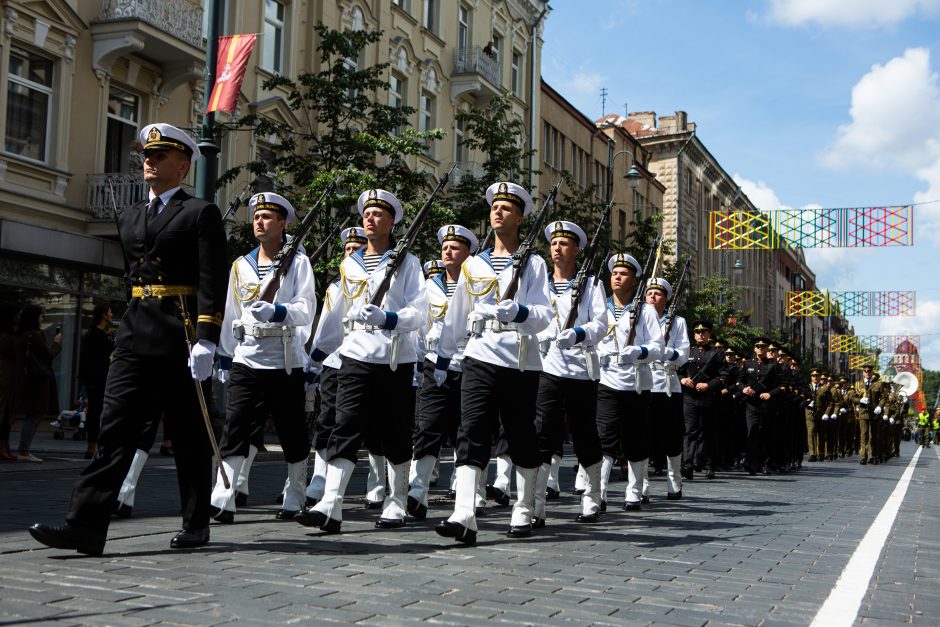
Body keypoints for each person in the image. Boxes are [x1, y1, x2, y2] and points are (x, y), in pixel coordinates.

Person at [28, 123, 228, 555]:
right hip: (136, 335)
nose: (148, 162)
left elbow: (213, 281)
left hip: (182, 335)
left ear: (183, 163)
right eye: (146, 155)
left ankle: (196, 523)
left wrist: (208, 339)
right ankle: (85, 525)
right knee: (114, 429)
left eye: (159, 155)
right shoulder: (131, 215)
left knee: (189, 436)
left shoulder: (200, 213)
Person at [432, 182, 553, 544]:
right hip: (480, 354)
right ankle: (464, 512)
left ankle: (523, 507)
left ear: (519, 217)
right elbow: (457, 315)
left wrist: (520, 311)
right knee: (472, 431)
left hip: (519, 359)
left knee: (520, 435)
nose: (497, 212)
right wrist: (444, 356)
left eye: (505, 208)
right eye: (494, 207)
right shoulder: (472, 264)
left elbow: (545, 315)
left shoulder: (533, 263)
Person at [298, 188, 425, 533]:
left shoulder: (408, 263)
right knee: (346, 425)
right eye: (367, 213)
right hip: (354, 354)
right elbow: (337, 312)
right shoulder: (350, 263)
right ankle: (331, 503)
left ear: (392, 222)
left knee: (394, 431)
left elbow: (420, 312)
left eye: (378, 214)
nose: (370, 218)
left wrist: (389, 319)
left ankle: (397, 500)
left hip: (394, 358)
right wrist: (317, 356)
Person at [210, 192, 316, 523]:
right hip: (246, 357)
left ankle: (296, 493)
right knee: (237, 427)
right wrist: (225, 354)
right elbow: (231, 312)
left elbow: (306, 308)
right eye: (256, 216)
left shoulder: (298, 262)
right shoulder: (241, 265)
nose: (259, 221)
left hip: (284, 357)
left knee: (291, 430)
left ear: (283, 224)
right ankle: (223, 494)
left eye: (267, 217)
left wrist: (278, 311)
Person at [532, 220, 607, 525]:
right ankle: (535, 502)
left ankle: (591, 495)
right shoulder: (540, 283)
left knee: (585, 434)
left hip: (579, 370)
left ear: (576, 248)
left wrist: (577, 333)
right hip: (546, 367)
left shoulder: (591, 285)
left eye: (564, 244)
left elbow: (601, 324)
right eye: (553, 244)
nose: (558, 249)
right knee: (542, 434)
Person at [408, 224, 478, 520]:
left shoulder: (478, 285)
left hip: (469, 364)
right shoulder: (429, 286)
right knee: (428, 426)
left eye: (455, 248)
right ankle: (417, 489)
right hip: (435, 365)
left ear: (468, 254)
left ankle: (467, 492)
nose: (448, 252)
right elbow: (421, 326)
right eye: (445, 248)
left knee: (467, 430)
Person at [595, 253, 664, 511]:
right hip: (607, 379)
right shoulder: (601, 307)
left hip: (636, 381)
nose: (616, 277)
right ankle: (598, 491)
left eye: (623, 274)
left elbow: (657, 347)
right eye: (614, 273)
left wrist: (639, 352)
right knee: (604, 437)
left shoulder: (645, 311)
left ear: (634, 280)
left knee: (636, 439)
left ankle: (634, 490)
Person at [305, 226, 367, 506]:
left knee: (361, 423)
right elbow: (325, 326)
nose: (351, 253)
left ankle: (376, 483)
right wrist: (315, 359)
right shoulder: (334, 286)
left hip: (363, 358)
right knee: (326, 419)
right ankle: (320, 479)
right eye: (348, 250)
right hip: (333, 360)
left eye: (357, 249)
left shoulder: (371, 282)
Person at [644, 278, 689, 499]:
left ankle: (674, 479)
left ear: (667, 298)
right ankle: (641, 483)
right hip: (641, 382)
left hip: (667, 383)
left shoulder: (678, 322)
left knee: (672, 436)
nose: (652, 296)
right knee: (642, 435)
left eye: (657, 294)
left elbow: (683, 354)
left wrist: (664, 353)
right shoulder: (638, 318)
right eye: (649, 292)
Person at [677, 320, 725, 480]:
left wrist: (709, 384)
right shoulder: (687, 352)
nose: (700, 334)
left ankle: (709, 465)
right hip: (690, 397)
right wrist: (683, 380)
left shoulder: (717, 353)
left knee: (709, 431)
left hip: (709, 397)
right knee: (690, 431)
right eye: (697, 332)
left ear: (709, 334)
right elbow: (678, 371)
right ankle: (687, 465)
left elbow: (724, 375)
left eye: (704, 332)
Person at [15, 304, 62, 463]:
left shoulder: (22, 335)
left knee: (33, 415)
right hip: (36, 381)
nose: (42, 319)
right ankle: (24, 451)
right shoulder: (35, 335)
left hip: (28, 379)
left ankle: (24, 450)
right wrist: (56, 343)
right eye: (41, 316)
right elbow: (48, 355)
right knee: (34, 415)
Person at [79, 304, 114, 460]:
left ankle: (92, 446)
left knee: (95, 411)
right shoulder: (98, 336)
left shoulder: (93, 334)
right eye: (109, 312)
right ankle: (93, 446)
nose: (111, 314)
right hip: (98, 379)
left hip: (95, 378)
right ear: (103, 315)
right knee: (96, 411)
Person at [852, 363, 885, 465]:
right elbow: (852, 397)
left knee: (874, 435)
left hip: (874, 413)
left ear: (872, 372)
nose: (867, 373)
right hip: (863, 412)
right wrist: (860, 400)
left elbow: (883, 397)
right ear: (863, 373)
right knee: (864, 435)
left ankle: (874, 456)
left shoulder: (878, 384)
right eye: (865, 371)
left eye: (869, 371)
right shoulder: (858, 384)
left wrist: (880, 406)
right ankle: (863, 456)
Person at [0, 303, 21, 460]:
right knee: (4, 413)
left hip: (9, 378)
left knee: (6, 415)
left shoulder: (10, 335)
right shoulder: (7, 337)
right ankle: (3, 446)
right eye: (17, 314)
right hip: (5, 378)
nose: (19, 317)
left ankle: (4, 445)